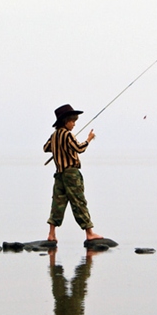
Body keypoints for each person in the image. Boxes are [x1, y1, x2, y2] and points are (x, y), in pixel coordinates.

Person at [44, 104, 104, 243]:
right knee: (79, 201)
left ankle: (51, 234)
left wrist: (58, 147)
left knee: (57, 203)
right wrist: (89, 139)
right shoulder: (67, 134)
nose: (74, 124)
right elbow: (79, 148)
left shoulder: (54, 136)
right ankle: (89, 233)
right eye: (73, 122)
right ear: (66, 121)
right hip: (71, 174)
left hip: (59, 174)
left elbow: (46, 148)